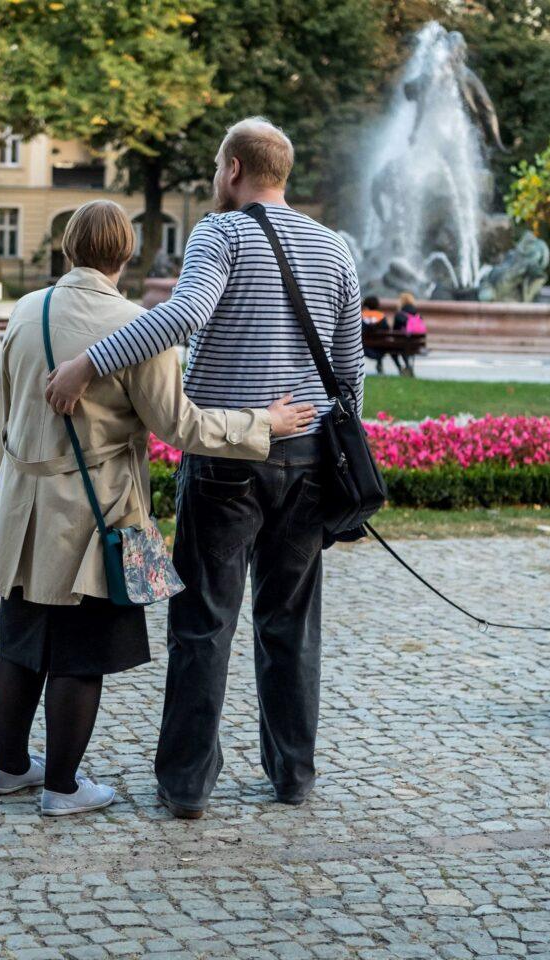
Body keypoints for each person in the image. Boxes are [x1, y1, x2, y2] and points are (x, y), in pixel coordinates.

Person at [44, 118, 365, 819]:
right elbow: (349, 371)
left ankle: (187, 786)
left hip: (226, 461)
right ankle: (292, 775)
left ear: (234, 170)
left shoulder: (220, 233)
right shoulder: (334, 247)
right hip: (309, 459)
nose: (216, 178)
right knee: (291, 626)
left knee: (203, 625)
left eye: (218, 167)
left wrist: (88, 362)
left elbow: (183, 315)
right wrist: (344, 461)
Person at [0, 199, 316, 817]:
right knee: (80, 651)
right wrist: (262, 423)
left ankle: (10, 767)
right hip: (94, 513)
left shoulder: (26, 310)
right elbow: (181, 427)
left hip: (22, 508)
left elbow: (3, 415)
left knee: (21, 640)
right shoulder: (138, 327)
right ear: (127, 254)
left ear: (68, 247)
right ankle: (62, 788)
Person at [361, 294, 388, 374]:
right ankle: (380, 364)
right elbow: (387, 329)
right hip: (380, 347)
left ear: (366, 305)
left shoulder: (362, 315)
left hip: (365, 347)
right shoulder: (381, 316)